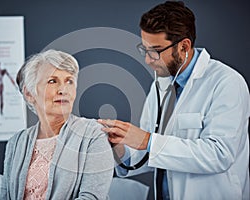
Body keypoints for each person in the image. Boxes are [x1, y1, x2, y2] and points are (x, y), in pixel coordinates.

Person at [98, 1, 250, 200]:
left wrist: (147, 140)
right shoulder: (160, 84)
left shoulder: (227, 83)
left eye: (155, 51)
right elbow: (149, 153)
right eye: (145, 50)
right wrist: (119, 146)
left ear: (184, 46)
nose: (148, 60)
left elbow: (219, 155)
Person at [0, 49, 114, 199]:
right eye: (52, 81)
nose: (63, 90)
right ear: (29, 94)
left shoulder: (93, 134)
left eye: (69, 81)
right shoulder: (16, 143)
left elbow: (93, 197)